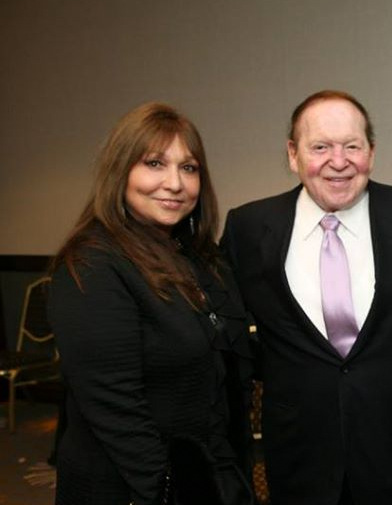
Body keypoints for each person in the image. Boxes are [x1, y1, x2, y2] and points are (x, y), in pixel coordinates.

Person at [220, 90, 392, 505]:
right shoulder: (248, 228)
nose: (338, 162)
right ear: (293, 153)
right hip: (298, 457)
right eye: (320, 147)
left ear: (371, 153)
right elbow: (224, 331)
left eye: (352, 147)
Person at [48, 103, 255, 505]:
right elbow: (114, 408)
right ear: (120, 172)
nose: (175, 183)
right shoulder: (92, 264)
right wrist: (164, 490)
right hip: (135, 485)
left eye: (189, 168)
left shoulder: (200, 258)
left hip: (205, 471)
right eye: (155, 163)